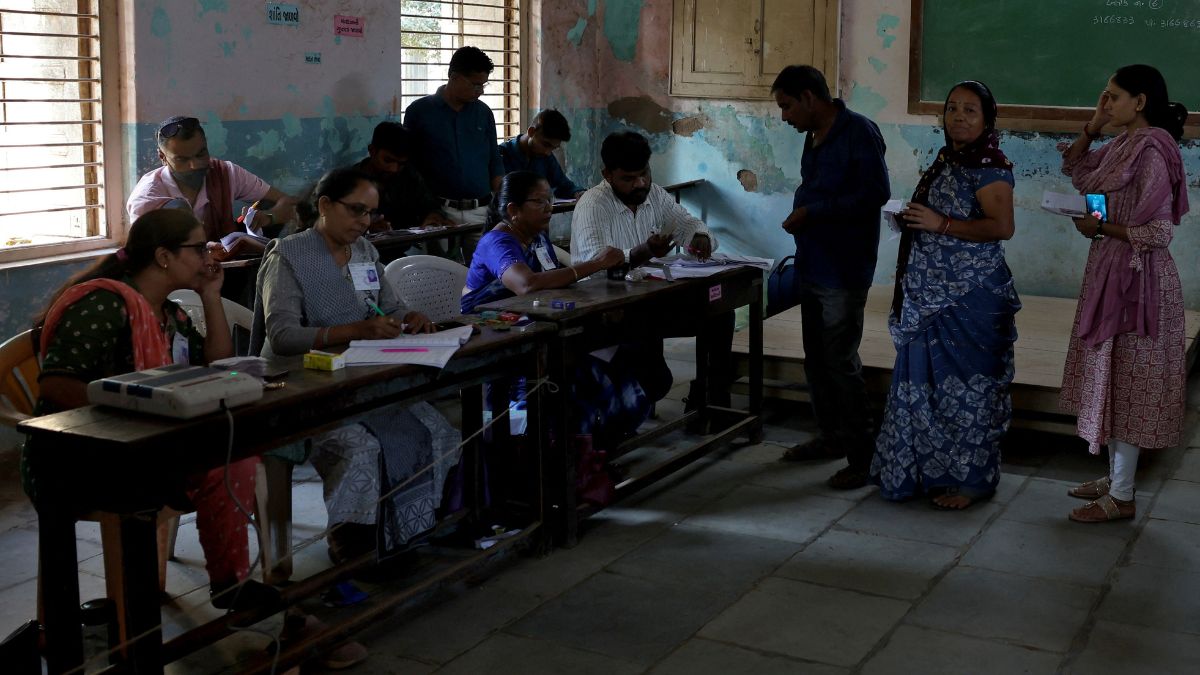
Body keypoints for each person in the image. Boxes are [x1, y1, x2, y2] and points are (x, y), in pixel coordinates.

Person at [24, 209, 275, 610]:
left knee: (233, 458)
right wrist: (138, 402)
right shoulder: (103, 306)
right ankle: (138, 626)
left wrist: (211, 295)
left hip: (148, 448)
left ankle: (231, 585)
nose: (210, 259)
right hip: (76, 459)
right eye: (199, 249)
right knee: (215, 463)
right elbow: (56, 384)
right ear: (163, 256)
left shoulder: (169, 314)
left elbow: (214, 365)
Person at [250, 167, 459, 564]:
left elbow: (391, 307)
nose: (364, 222)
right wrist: (355, 328)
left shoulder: (364, 252)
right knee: (362, 448)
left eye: (371, 214)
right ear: (325, 205)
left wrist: (410, 316)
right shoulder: (290, 255)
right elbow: (283, 337)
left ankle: (404, 532)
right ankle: (355, 547)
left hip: (364, 381)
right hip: (304, 391)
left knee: (437, 430)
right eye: (356, 211)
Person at [870, 80, 1020, 510]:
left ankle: (970, 482)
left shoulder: (990, 166)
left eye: (970, 110)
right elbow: (940, 215)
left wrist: (942, 225)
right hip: (928, 296)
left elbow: (1001, 227)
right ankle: (921, 472)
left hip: (969, 298)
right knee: (923, 385)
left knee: (968, 390)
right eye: (952, 108)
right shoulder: (948, 158)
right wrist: (916, 219)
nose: (958, 116)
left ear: (988, 120)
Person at [1058, 64, 1189, 523]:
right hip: (1112, 267)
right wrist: (1092, 126)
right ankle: (1115, 479)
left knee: (1130, 380)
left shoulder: (1153, 150)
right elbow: (1075, 169)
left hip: (1140, 282)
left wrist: (1101, 227)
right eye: (1105, 97)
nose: (1107, 103)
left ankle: (1123, 495)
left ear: (1140, 101)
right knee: (1109, 374)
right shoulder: (1121, 144)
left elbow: (1157, 231)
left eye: (1113, 97)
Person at [771, 65, 890, 490]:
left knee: (841, 361)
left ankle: (863, 457)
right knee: (817, 360)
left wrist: (813, 212)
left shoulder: (859, 131)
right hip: (812, 262)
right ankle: (830, 438)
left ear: (809, 97)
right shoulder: (812, 136)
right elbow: (815, 188)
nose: (784, 116)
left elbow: (875, 194)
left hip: (843, 268)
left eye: (786, 105)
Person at [571, 130, 732, 410]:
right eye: (628, 179)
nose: (640, 183)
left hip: (649, 303)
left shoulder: (654, 195)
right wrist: (641, 253)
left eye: (644, 173)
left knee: (719, 312)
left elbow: (687, 224)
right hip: (610, 312)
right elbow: (591, 270)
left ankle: (710, 399)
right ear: (607, 174)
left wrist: (699, 238)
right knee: (655, 380)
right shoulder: (593, 205)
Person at [127, 116, 296, 244]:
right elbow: (147, 258)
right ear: (162, 157)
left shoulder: (225, 172)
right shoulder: (148, 198)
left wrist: (268, 217)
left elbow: (288, 202)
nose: (195, 165)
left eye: (201, 154)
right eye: (182, 160)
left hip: (225, 269)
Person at [404, 47, 505, 231]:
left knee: (482, 260)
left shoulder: (483, 113)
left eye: (483, 85)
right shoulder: (419, 112)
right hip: (439, 212)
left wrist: (504, 200)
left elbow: (494, 160)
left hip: (481, 211)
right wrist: (427, 210)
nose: (480, 91)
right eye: (475, 84)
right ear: (454, 76)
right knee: (438, 261)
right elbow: (411, 167)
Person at [351, 120, 453, 232]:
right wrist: (366, 227)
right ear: (372, 151)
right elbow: (337, 224)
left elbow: (431, 206)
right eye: (388, 160)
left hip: (401, 245)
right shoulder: (349, 182)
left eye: (401, 164)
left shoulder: (409, 176)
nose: (394, 169)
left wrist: (433, 218)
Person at [498, 109, 586, 200]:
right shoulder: (501, 154)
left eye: (553, 148)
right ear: (531, 132)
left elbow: (563, 185)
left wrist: (578, 193)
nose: (547, 152)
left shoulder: (545, 156)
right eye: (546, 145)